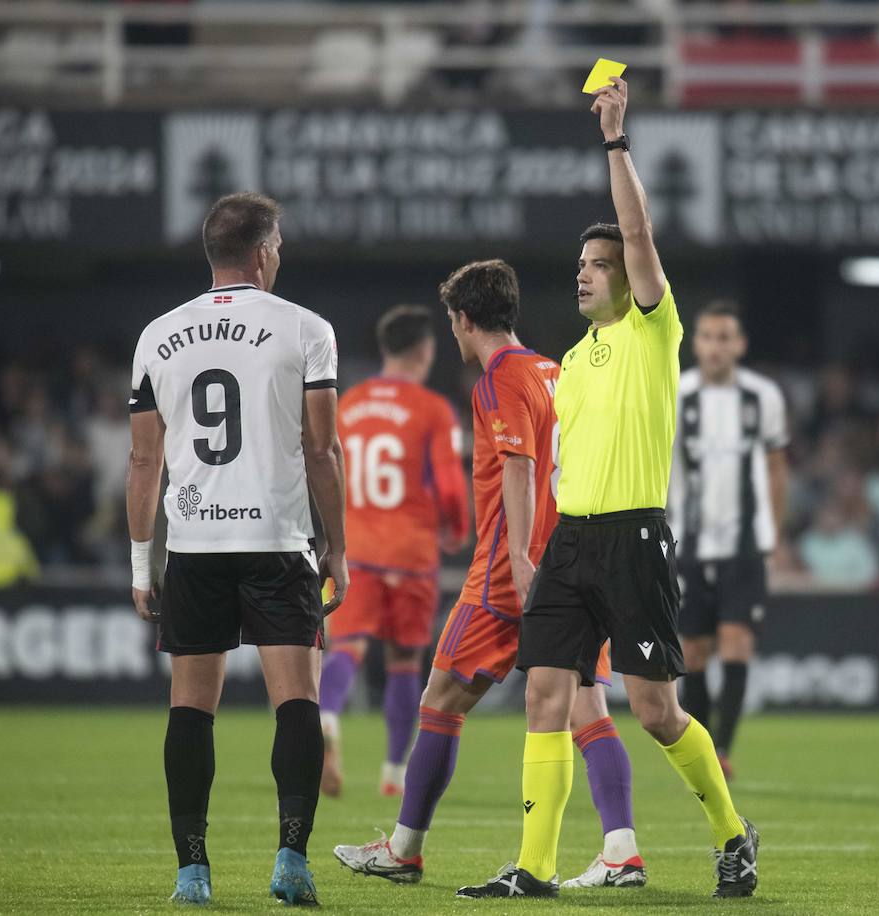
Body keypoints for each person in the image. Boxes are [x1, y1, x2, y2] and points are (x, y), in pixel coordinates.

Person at [457, 76, 758, 901]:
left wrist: (616, 139)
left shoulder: (653, 331)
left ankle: (733, 833)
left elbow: (637, 226)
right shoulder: (575, 361)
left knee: (657, 712)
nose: (585, 275)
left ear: (629, 272)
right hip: (571, 543)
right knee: (544, 696)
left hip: (634, 537)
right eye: (581, 265)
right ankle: (535, 867)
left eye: (599, 264)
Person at [332, 259, 648, 889]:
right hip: (576, 563)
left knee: (441, 701)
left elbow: (518, 468)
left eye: (454, 321)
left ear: (464, 319)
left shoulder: (498, 379)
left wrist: (521, 562)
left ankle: (403, 850)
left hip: (511, 572)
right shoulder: (555, 370)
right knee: (587, 709)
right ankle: (622, 850)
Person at [126, 192, 348, 907]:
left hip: (194, 543)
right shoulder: (306, 330)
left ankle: (192, 871)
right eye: (277, 245)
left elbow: (142, 461)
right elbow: (322, 449)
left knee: (190, 710)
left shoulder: (157, 335)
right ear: (261, 253)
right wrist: (336, 549)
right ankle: (291, 861)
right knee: (296, 702)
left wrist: (142, 564)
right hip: (277, 541)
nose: (278, 256)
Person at [318, 305, 470, 800]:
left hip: (355, 550)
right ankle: (393, 771)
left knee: (347, 648)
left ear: (386, 348)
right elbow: (449, 486)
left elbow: (324, 469)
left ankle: (325, 718)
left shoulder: (349, 404)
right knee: (406, 660)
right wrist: (457, 529)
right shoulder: (432, 411)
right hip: (410, 552)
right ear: (424, 351)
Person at [668, 299, 789, 779]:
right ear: (695, 343)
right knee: (693, 651)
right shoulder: (676, 393)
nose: (716, 347)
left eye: (725, 338)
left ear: (739, 345)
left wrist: (773, 533)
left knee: (737, 642)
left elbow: (777, 468)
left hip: (745, 544)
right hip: (689, 542)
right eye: (707, 337)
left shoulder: (764, 396)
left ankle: (721, 750)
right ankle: (704, 752)